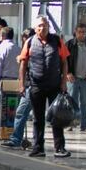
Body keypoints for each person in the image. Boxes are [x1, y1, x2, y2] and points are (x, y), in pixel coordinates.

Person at [18, 16, 70, 158]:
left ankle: (59, 148)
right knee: (37, 118)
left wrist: (64, 82)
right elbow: (23, 63)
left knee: (57, 117)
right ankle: (38, 147)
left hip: (54, 85)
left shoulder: (57, 41)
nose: (43, 28)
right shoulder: (29, 42)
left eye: (45, 25)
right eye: (40, 25)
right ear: (35, 28)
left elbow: (65, 62)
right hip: (36, 85)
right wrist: (22, 84)